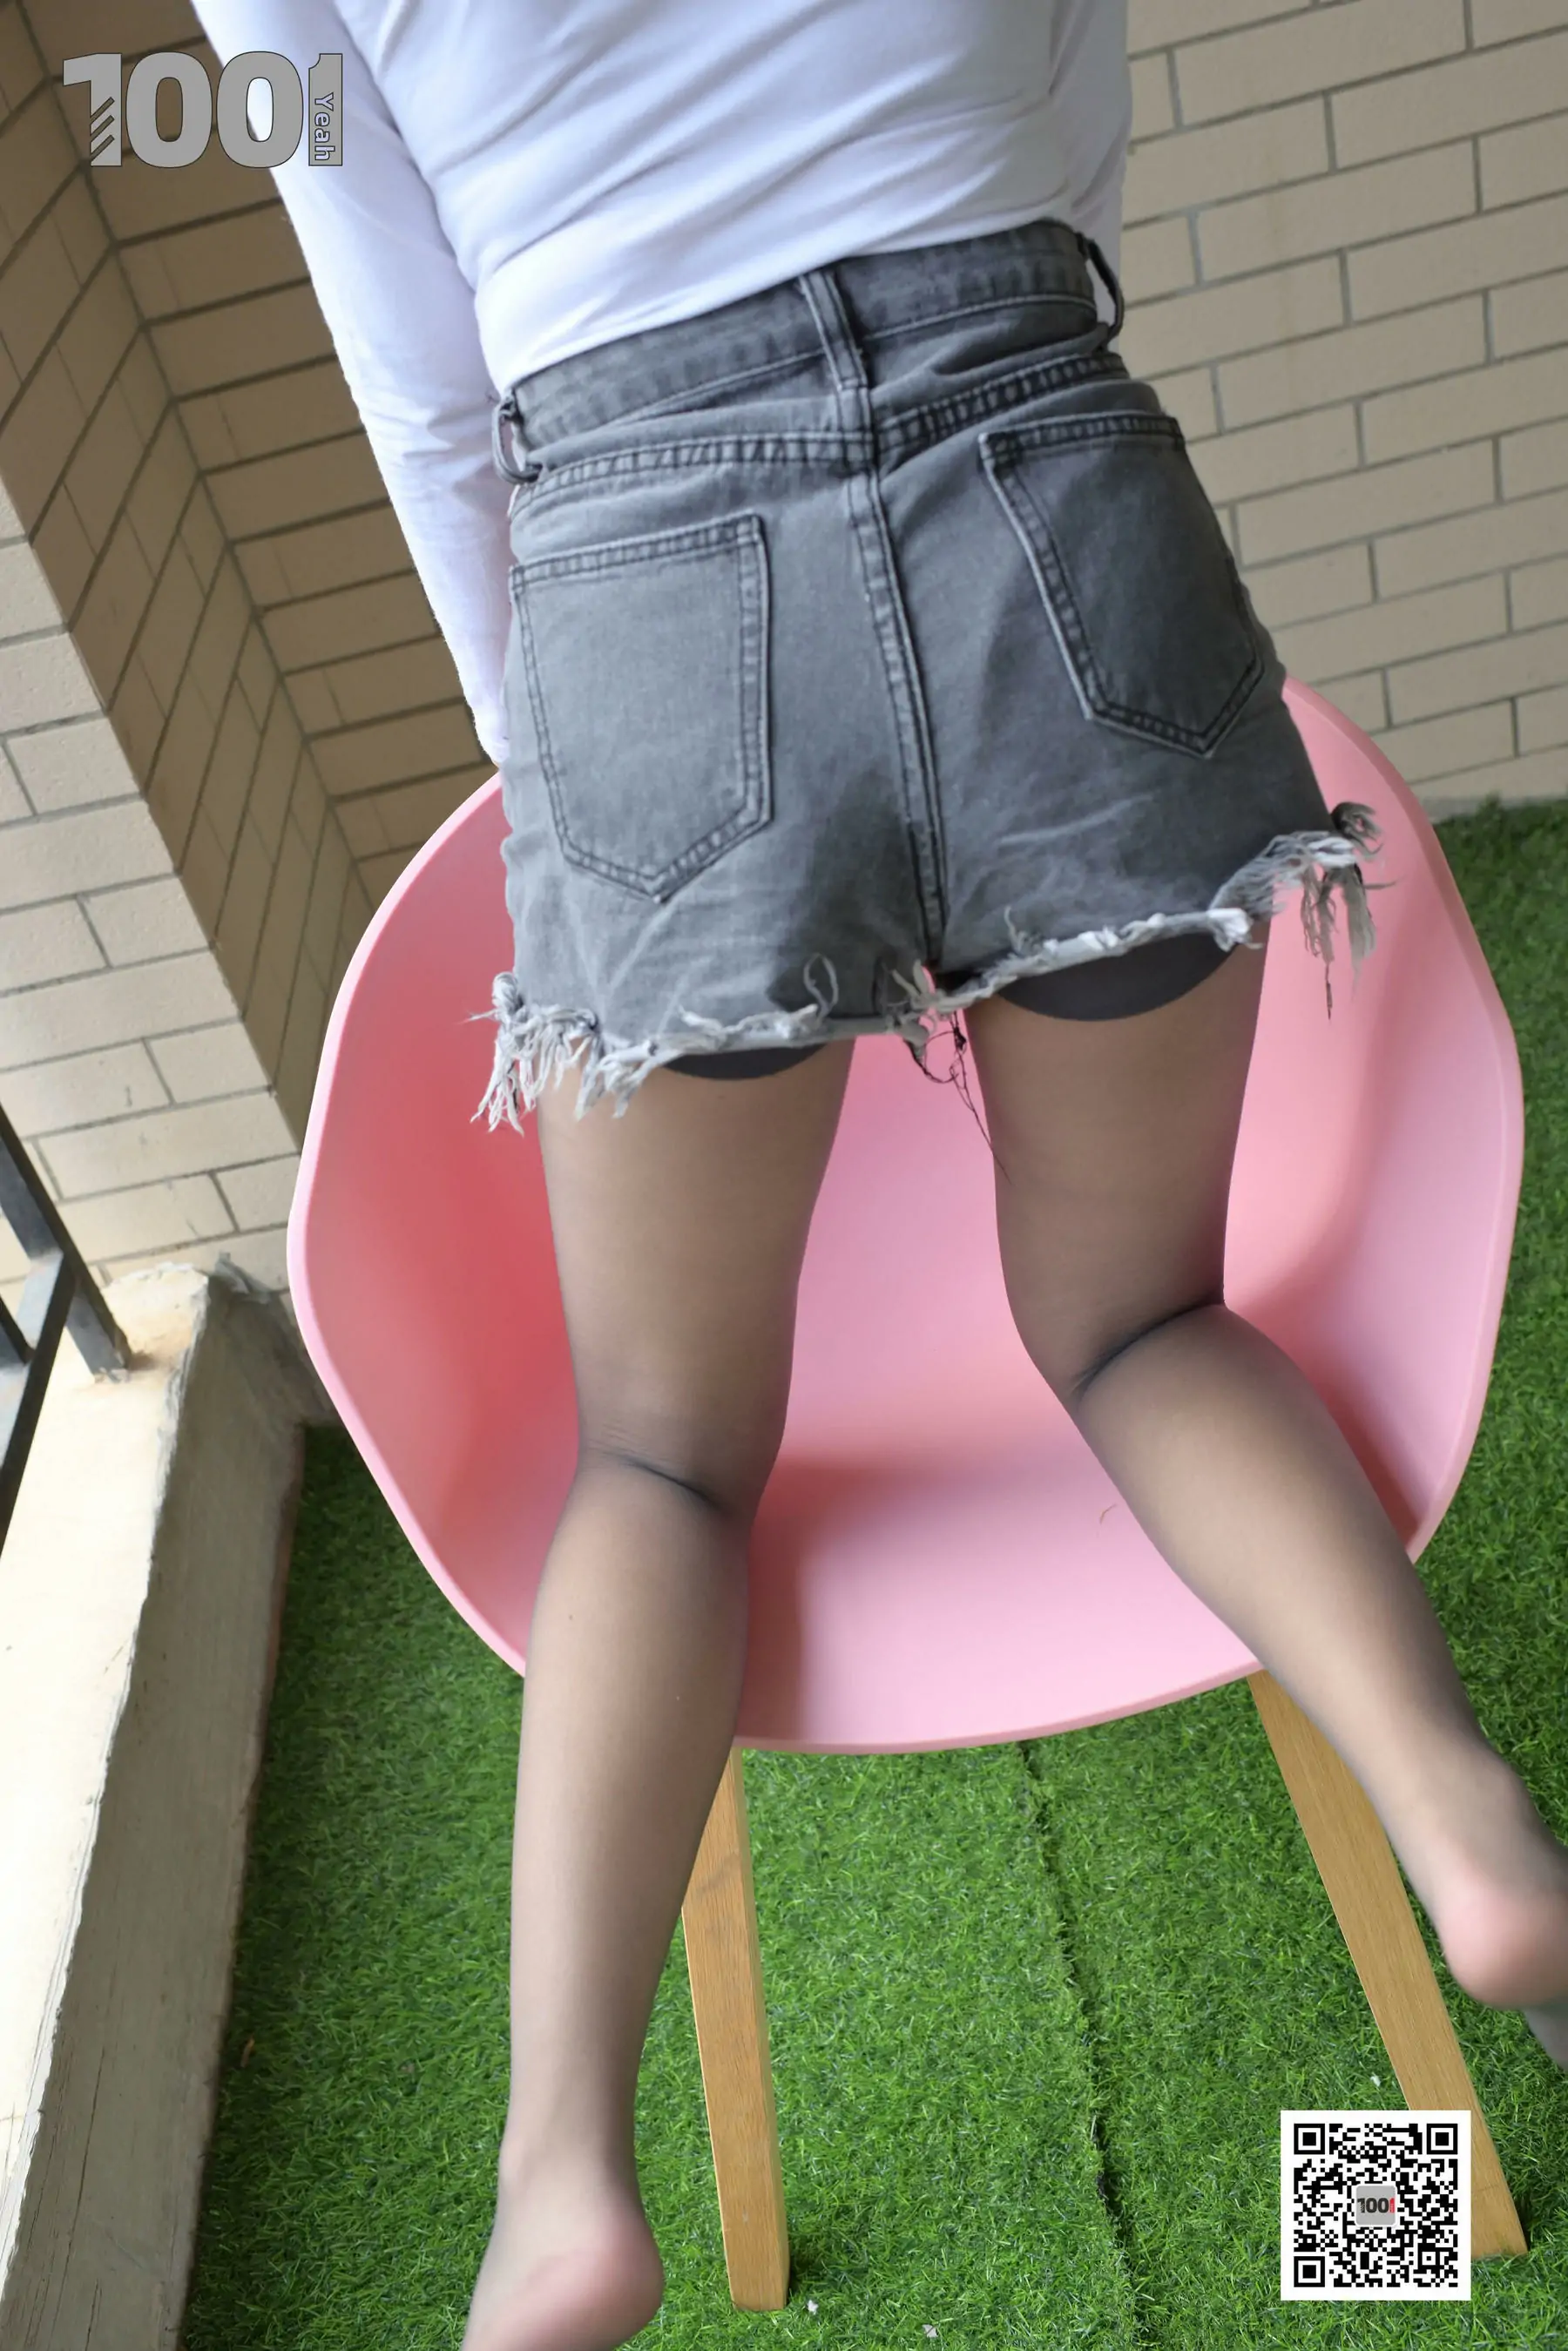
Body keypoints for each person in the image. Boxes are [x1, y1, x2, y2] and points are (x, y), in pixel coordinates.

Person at [190, 5, 1568, 2345]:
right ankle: (1471, 1827)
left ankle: (562, 2180)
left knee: (662, 1453)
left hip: (634, 556)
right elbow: (1072, 87)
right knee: (1143, 1320)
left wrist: (568, 767)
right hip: (1054, 458)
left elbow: (402, 345)